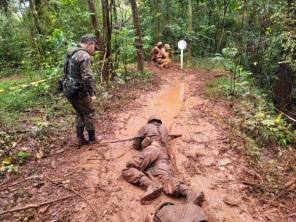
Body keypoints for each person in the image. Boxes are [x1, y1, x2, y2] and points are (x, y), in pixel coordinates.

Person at [122, 115, 204, 205]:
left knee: (129, 169)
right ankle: (189, 191)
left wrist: (140, 141)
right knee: (165, 178)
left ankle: (151, 185)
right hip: (163, 153)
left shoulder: (146, 127)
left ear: (150, 121)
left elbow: (136, 145)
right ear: (159, 121)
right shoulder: (165, 129)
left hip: (152, 149)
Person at [63, 34, 99, 146]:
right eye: (95, 47)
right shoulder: (85, 56)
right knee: (89, 112)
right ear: (90, 44)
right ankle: (92, 139)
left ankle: (79, 138)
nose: (95, 50)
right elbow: (87, 77)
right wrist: (91, 93)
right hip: (79, 90)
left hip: (68, 89)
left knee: (79, 112)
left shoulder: (71, 52)